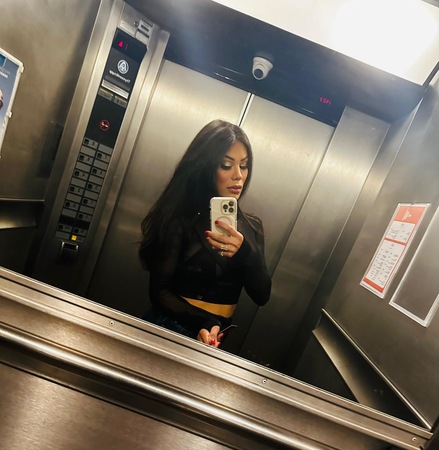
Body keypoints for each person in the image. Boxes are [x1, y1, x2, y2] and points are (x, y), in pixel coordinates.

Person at [139, 119, 271, 347]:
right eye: (226, 165)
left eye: (244, 165)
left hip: (215, 337)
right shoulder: (181, 218)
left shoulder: (252, 227)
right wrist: (207, 321)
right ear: (206, 167)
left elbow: (261, 295)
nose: (238, 176)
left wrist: (245, 252)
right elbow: (159, 292)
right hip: (170, 327)